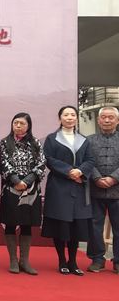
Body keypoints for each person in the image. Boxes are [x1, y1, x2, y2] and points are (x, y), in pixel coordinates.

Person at [42, 105, 94, 276]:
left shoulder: (84, 140)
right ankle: (62, 260)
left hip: (79, 186)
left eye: (73, 115)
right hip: (59, 186)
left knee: (76, 227)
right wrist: (69, 171)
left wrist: (80, 171)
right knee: (60, 225)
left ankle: (73, 261)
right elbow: (48, 159)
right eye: (66, 115)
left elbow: (90, 160)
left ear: (77, 118)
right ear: (60, 118)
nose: (70, 117)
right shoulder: (52, 138)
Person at [0, 113, 46, 275]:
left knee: (27, 223)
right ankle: (13, 260)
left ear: (29, 126)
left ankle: (24, 261)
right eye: (15, 123)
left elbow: (41, 163)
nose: (18, 126)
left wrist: (28, 181)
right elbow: (3, 163)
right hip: (11, 187)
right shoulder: (5, 142)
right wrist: (16, 180)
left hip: (30, 189)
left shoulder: (35, 143)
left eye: (22, 123)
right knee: (10, 223)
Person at [86, 106, 119, 274]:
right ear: (98, 121)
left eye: (111, 117)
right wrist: (97, 177)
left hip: (117, 190)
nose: (107, 120)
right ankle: (97, 259)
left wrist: (114, 178)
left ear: (117, 121)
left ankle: (118, 261)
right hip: (95, 189)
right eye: (104, 117)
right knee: (94, 226)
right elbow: (86, 161)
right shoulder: (89, 140)